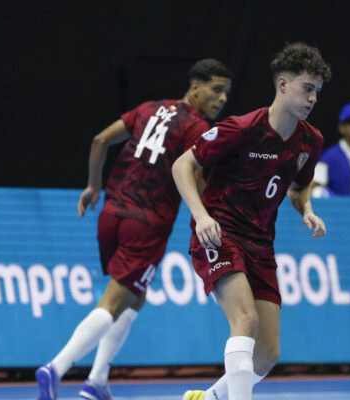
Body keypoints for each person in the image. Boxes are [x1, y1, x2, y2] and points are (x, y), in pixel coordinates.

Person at [34, 59, 232, 400]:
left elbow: (99, 141)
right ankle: (56, 368)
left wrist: (93, 186)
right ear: (195, 87)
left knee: (134, 298)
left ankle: (97, 381)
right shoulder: (196, 128)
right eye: (217, 90)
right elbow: (197, 181)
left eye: (227, 92)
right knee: (113, 302)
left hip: (111, 212)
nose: (223, 98)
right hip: (147, 222)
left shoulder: (148, 108)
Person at [172, 42, 331, 400]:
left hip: (260, 243)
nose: (312, 99)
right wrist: (200, 216)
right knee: (245, 320)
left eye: (317, 92)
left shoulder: (311, 141)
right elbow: (182, 164)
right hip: (219, 233)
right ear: (282, 84)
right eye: (307, 88)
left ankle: (210, 397)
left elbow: (298, 189)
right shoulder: (241, 128)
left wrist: (306, 209)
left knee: (268, 353)